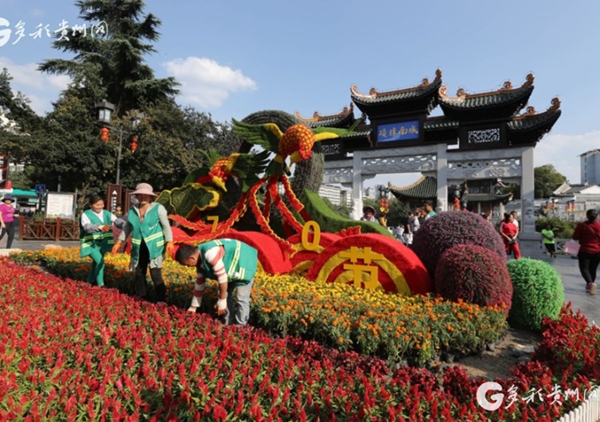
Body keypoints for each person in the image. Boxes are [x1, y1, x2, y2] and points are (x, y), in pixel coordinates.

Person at [112, 183, 174, 304]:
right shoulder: (132, 210)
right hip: (138, 248)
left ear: (151, 197)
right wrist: (118, 242)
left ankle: (161, 300)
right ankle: (142, 297)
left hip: (155, 248)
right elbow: (127, 228)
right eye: (140, 195)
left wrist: (169, 242)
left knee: (155, 273)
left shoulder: (158, 208)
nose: (143, 197)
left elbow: (166, 226)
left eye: (146, 195)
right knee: (139, 273)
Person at [175, 239, 258, 326]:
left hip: (244, 260)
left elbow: (222, 278)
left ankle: (241, 326)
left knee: (241, 297)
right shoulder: (200, 261)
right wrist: (193, 307)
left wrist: (221, 301)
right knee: (224, 294)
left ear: (192, 258)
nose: (188, 267)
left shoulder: (210, 253)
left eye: (187, 264)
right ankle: (228, 323)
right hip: (230, 268)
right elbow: (199, 285)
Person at [80, 195, 118, 287]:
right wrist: (98, 227)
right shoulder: (86, 214)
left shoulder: (106, 213)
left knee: (95, 264)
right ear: (91, 205)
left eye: (102, 204)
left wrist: (125, 224)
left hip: (102, 244)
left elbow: (117, 221)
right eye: (97, 205)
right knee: (100, 262)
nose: (100, 207)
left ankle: (88, 284)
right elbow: (87, 227)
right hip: (91, 244)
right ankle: (101, 285)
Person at [572, 209, 600, 295]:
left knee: (584, 269)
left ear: (587, 216)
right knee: (593, 269)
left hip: (584, 250)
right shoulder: (599, 225)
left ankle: (590, 283)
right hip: (597, 251)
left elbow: (575, 237)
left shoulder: (582, 225)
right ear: (597, 216)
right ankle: (591, 285)